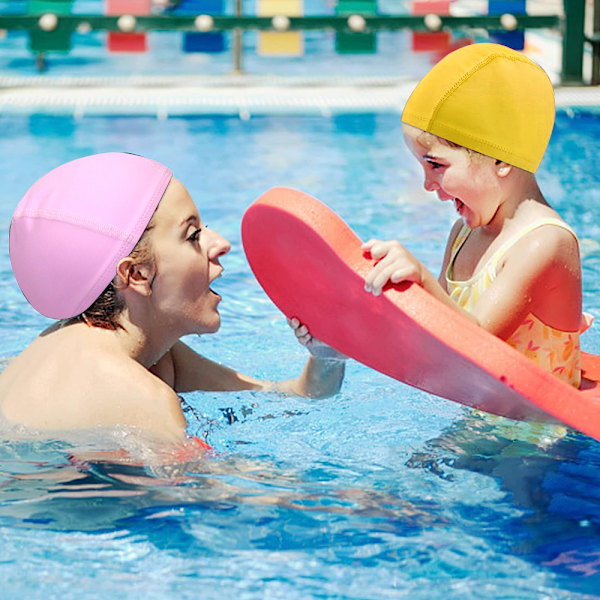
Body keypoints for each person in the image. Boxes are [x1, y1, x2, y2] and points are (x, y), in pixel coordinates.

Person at [0, 153, 346, 445]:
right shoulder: (140, 398)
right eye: (193, 235)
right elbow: (216, 501)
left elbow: (287, 397)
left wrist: (326, 354)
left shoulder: (153, 354)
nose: (220, 243)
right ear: (136, 274)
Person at [362, 43, 583, 387]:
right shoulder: (462, 234)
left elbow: (477, 341)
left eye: (436, 164)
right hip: (485, 416)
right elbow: (436, 338)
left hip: (543, 434)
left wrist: (421, 278)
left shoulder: (545, 243)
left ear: (501, 159)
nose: (426, 184)